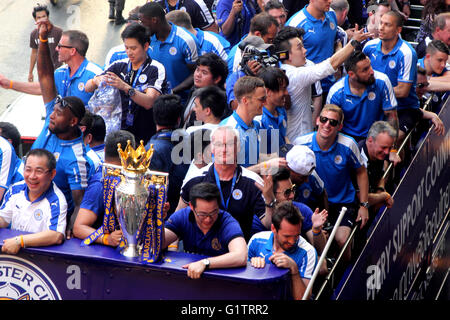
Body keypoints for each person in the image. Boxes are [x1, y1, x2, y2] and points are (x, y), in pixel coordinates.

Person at [32, 20, 96, 239]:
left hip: (48, 222)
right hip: (23, 203)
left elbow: (80, 202)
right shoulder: (53, 120)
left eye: (57, 114)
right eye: (53, 110)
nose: (51, 114)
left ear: (72, 122)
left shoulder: (78, 158)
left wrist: (69, 230)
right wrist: (42, 40)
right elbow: (45, 75)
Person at [293, 104, 369, 261]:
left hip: (343, 203)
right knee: (315, 244)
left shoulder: (348, 145)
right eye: (324, 120)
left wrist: (364, 205)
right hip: (314, 204)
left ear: (340, 126)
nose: (327, 125)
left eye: (333, 122)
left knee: (342, 241)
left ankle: (343, 275)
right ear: (317, 121)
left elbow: (361, 172)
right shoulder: (300, 143)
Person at [274, 25, 371, 142]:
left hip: (298, 142)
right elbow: (330, 65)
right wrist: (353, 43)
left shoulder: (287, 69)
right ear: (286, 55)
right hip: (296, 145)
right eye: (300, 48)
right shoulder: (293, 75)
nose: (305, 51)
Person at [177, 126, 271, 241]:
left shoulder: (253, 181)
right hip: (198, 251)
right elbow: (178, 219)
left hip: (237, 251)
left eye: (230, 144)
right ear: (212, 148)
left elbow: (268, 223)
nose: (224, 149)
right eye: (219, 144)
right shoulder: (195, 179)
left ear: (238, 148)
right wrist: (173, 248)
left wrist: (270, 200)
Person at [85, 22, 170, 145]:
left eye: (133, 48)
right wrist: (96, 81)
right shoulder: (118, 65)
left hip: (144, 134)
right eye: (126, 47)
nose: (129, 52)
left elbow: (149, 102)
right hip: (117, 133)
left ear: (146, 46)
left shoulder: (156, 68)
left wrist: (125, 87)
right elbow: (87, 88)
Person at [164, 182, 247, 279]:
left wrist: (205, 263)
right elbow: (158, 244)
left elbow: (241, 256)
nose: (208, 219)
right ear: (191, 206)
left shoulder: (227, 222)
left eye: (213, 213)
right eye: (202, 214)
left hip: (221, 280)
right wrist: (158, 221)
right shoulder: (182, 216)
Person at [0, 30, 102, 106]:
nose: (56, 49)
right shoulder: (60, 72)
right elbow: (42, 88)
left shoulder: (96, 74)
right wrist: (9, 84)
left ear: (72, 51)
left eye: (60, 46)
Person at [363, 11, 420, 144]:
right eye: (381, 23)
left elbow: (403, 91)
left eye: (387, 25)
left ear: (398, 30)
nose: (381, 27)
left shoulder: (406, 53)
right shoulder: (369, 47)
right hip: (376, 104)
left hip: (403, 109)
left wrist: (374, 90)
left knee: (391, 140)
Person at [73, 130, 136, 247]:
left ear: (105, 150)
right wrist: (106, 239)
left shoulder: (135, 180)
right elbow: (78, 227)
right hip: (105, 255)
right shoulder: (100, 183)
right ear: (132, 154)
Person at [0, 149, 67, 254]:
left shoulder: (57, 200)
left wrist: (20, 241)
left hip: (40, 259)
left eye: (39, 171)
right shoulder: (15, 189)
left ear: (52, 174)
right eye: (28, 169)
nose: (32, 176)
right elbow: (3, 219)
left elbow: (56, 235)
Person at [248, 201, 317, 300]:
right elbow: (241, 286)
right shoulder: (256, 240)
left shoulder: (307, 252)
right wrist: (251, 267)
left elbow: (303, 298)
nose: (292, 241)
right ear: (273, 228)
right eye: (287, 236)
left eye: (297, 235)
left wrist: (294, 269)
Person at [326, 50, 399, 143]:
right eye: (365, 70)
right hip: (347, 139)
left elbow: (392, 116)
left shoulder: (382, 80)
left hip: (377, 137)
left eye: (370, 66)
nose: (372, 71)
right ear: (351, 74)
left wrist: (392, 149)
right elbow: (331, 124)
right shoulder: (336, 92)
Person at [138, 2, 199, 104]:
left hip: (182, 101)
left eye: (143, 22)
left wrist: (171, 92)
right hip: (154, 100)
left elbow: (196, 73)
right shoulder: (147, 38)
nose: (141, 26)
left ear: (154, 20)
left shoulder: (186, 40)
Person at [145, 95, 189, 216]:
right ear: (179, 120)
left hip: (161, 216)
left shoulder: (150, 150)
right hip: (185, 212)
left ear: (154, 118)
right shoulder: (191, 142)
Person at [286, 0, 339, 94]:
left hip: (330, 84)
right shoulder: (296, 23)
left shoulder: (331, 14)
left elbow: (334, 41)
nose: (330, 1)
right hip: (308, 88)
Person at [220, 76, 265, 168]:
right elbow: (225, 173)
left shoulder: (256, 125)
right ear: (245, 100)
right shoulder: (228, 130)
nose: (265, 102)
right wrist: (263, 166)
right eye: (261, 99)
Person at [358, 121, 396, 213]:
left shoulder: (377, 154)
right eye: (383, 148)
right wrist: (384, 196)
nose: (387, 152)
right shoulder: (358, 158)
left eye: (390, 148)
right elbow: (361, 197)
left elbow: (380, 177)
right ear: (370, 140)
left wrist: (380, 189)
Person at [182, 53, 229, 128]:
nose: (198, 75)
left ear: (217, 79)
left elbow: (199, 132)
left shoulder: (218, 102)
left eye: (204, 72)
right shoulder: (194, 90)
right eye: (197, 70)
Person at [285, 144, 329, 216]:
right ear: (290, 170)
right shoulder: (278, 179)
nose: (307, 180)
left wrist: (324, 219)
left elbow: (322, 194)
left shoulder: (312, 175)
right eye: (302, 177)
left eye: (307, 176)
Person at [254, 67, 290, 155]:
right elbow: (262, 156)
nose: (286, 93)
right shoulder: (260, 121)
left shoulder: (281, 111)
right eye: (283, 89)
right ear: (267, 92)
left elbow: (284, 138)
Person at [28, 4, 62, 82]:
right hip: (43, 73)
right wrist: (30, 72)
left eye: (44, 16)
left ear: (48, 17)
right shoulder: (33, 34)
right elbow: (34, 53)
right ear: (35, 20)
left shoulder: (58, 32)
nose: (41, 20)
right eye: (38, 18)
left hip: (58, 72)